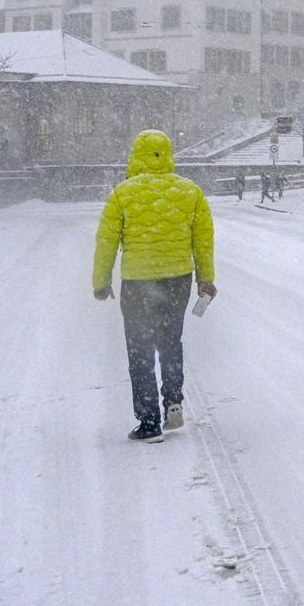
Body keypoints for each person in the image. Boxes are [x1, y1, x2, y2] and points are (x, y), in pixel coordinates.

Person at [92, 130, 216, 442]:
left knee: (141, 351)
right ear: (168, 154)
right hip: (177, 278)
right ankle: (173, 400)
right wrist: (206, 279)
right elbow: (202, 241)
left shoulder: (122, 193)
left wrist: (102, 281)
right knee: (171, 341)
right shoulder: (190, 192)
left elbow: (106, 241)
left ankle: (149, 422)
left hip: (137, 281)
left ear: (135, 156)